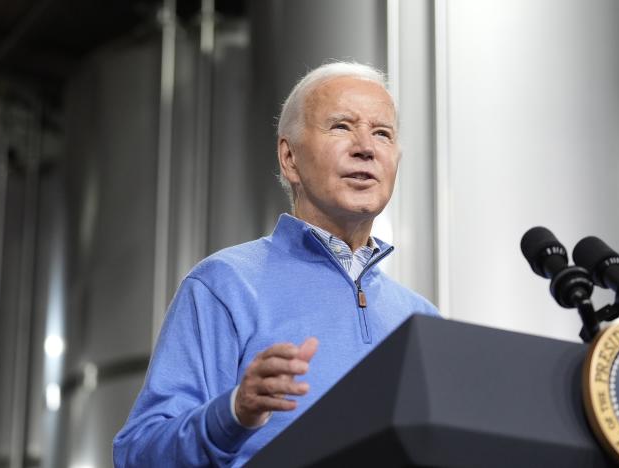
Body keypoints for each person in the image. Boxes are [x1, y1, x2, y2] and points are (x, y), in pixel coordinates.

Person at [112, 61, 439, 467]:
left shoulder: (421, 318)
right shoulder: (224, 285)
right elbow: (138, 454)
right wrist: (233, 413)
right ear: (289, 158)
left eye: (382, 133)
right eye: (341, 127)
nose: (365, 147)